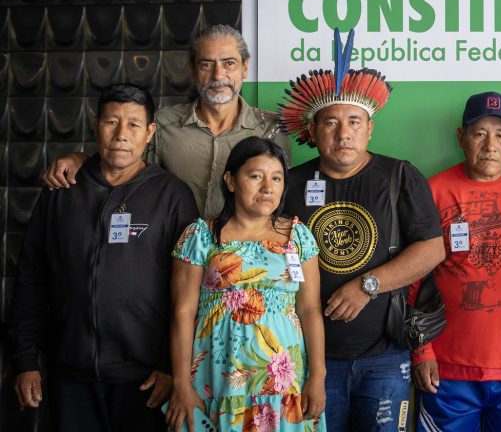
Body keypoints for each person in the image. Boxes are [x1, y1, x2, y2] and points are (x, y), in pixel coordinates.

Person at [280, 29, 444, 432]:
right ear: (313, 131)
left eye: (354, 121)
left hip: (385, 356)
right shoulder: (286, 182)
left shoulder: (400, 175)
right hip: (309, 358)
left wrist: (366, 285)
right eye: (331, 122)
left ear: (370, 129)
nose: (343, 132)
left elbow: (432, 249)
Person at [8, 83, 198, 432]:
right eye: (112, 122)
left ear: (150, 132)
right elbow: (31, 278)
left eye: (134, 125)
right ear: (95, 124)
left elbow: (187, 292)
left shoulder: (172, 196)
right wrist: (25, 361)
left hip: (145, 378)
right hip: (69, 372)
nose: (121, 134)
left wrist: (170, 366)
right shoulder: (61, 192)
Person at [42, 24, 291, 217]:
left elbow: (280, 199)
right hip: (171, 259)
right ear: (192, 71)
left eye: (229, 64)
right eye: (207, 64)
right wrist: (81, 159)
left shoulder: (270, 129)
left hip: (242, 265)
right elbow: (124, 168)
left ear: (245, 68)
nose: (218, 75)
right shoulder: (161, 124)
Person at [166, 136, 327, 432]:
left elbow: (310, 310)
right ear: (230, 181)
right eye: (255, 176)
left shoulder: (298, 236)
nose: (268, 187)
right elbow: (182, 312)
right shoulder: (200, 235)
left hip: (285, 380)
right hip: (217, 378)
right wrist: (180, 383)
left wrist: (318, 375)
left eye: (276, 178)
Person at [411, 91, 501, 431]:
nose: (490, 144)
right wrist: (422, 352)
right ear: (461, 137)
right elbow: (413, 280)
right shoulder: (433, 191)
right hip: (448, 369)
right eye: (479, 133)